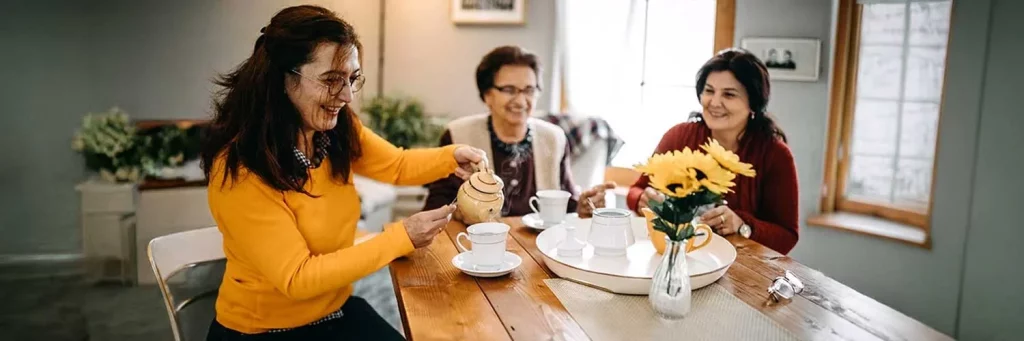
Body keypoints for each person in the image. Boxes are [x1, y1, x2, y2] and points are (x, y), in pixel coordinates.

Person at [199, 5, 486, 340]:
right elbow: (298, 277)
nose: (347, 96)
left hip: (332, 310)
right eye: (331, 80)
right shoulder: (239, 170)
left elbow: (395, 164)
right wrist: (400, 237)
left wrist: (453, 157)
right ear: (281, 79)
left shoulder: (333, 131)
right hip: (263, 331)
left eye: (351, 79)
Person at [627, 48, 800, 255]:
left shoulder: (775, 154)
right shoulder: (679, 137)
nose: (715, 102)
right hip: (680, 255)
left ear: (753, 103)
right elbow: (636, 190)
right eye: (709, 91)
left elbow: (787, 236)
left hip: (743, 269)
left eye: (729, 94)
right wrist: (642, 200)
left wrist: (742, 225)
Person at [421, 45, 614, 220]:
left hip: (538, 246)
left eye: (529, 90)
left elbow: (567, 202)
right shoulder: (457, 135)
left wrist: (583, 205)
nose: (521, 101)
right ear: (487, 95)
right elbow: (436, 206)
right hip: (475, 245)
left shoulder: (554, 138)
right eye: (509, 90)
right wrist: (464, 212)